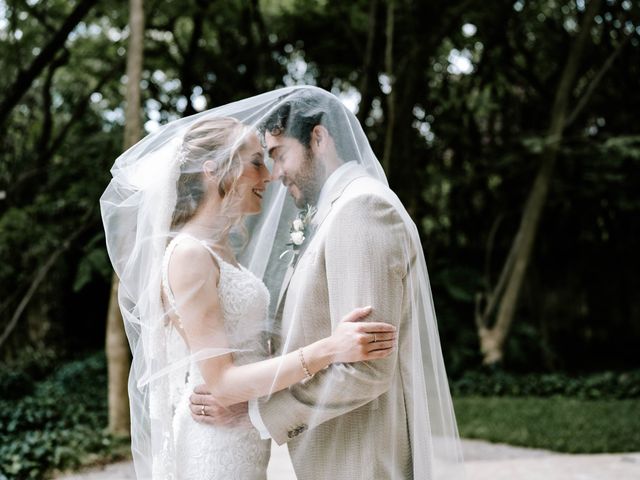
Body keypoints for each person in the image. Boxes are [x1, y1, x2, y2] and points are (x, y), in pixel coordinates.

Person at [101, 114, 397, 480]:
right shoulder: (190, 255)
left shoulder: (220, 250)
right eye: (256, 162)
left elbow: (246, 347)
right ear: (214, 170)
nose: (269, 175)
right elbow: (223, 383)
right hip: (215, 445)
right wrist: (330, 349)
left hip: (240, 441)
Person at [189, 87, 465, 479]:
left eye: (280, 154)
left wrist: (255, 414)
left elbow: (366, 368)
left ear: (318, 138)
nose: (275, 174)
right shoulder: (333, 214)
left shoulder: (363, 211)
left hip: (361, 457)